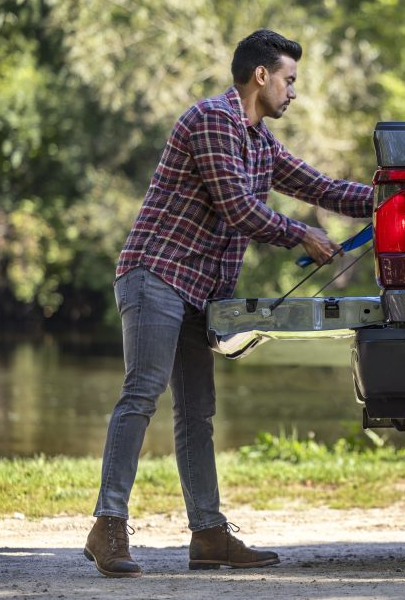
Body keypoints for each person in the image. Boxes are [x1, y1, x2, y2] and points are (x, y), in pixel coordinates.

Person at [84, 29, 373, 578]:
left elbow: (326, 189)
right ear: (261, 76)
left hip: (202, 291)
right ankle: (108, 525)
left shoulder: (261, 143)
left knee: (198, 413)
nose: (293, 92)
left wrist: (395, 193)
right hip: (156, 273)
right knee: (141, 393)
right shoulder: (211, 120)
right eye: (289, 80)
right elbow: (238, 206)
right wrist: (302, 236)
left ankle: (209, 536)